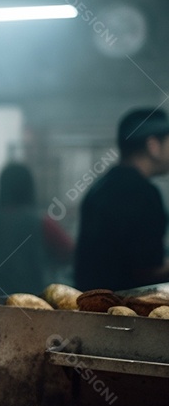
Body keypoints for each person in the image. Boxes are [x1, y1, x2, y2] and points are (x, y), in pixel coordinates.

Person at [75, 107, 169, 291]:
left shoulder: (100, 187)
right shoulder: (143, 193)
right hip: (123, 311)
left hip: (90, 304)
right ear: (153, 146)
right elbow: (147, 270)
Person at [0, 162, 73, 300]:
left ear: (1, 188)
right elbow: (70, 254)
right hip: (33, 309)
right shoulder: (42, 224)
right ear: (30, 188)